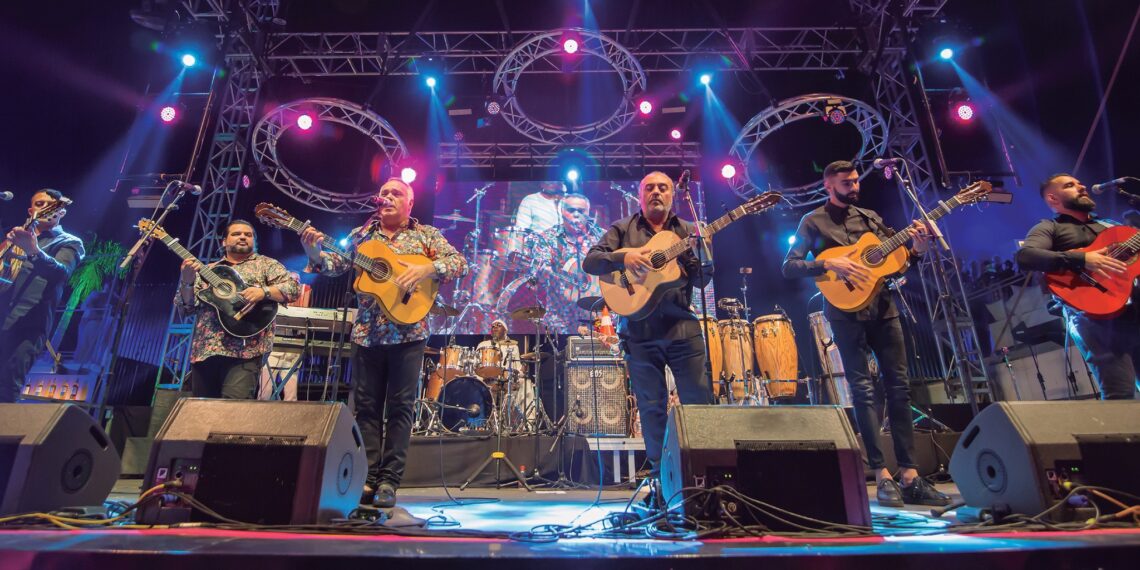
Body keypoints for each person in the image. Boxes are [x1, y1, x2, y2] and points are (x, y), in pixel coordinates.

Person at [782, 160, 949, 507]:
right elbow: (790, 265)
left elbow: (898, 262)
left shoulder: (871, 218)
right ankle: (880, 474)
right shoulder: (813, 221)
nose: (854, 186)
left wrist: (917, 249)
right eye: (846, 182)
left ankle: (910, 475)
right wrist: (829, 262)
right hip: (845, 313)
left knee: (899, 388)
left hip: (884, 309)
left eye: (856, 180)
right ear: (829, 185)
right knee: (862, 390)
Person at [302, 178, 467, 508]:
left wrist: (426, 270)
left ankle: (390, 481)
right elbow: (333, 266)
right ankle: (368, 476)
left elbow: (459, 263)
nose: (388, 197)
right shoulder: (363, 237)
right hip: (366, 334)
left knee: (402, 407)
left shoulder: (426, 236)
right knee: (366, 408)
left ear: (410, 202)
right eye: (385, 193)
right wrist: (312, 250)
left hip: (409, 334)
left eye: (397, 193)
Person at [582, 171, 715, 496]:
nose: (657, 192)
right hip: (639, 333)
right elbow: (591, 262)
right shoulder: (622, 229)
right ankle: (659, 480)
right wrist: (625, 256)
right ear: (639, 194)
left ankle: (704, 477)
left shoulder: (687, 231)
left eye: (663, 188)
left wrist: (700, 255)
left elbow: (702, 282)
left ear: (672, 194)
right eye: (650, 188)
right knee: (651, 406)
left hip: (682, 328)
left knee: (698, 403)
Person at [1016, 173, 1140, 400]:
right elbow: (1026, 256)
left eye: (1080, 183)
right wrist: (1083, 259)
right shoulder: (1050, 227)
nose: (1082, 187)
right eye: (1070, 185)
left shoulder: (1111, 226)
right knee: (1121, 395)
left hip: (1134, 309)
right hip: (1095, 316)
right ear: (1053, 199)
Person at [176, 220, 300, 399]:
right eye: (236, 234)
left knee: (232, 415)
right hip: (205, 352)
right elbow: (186, 308)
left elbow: (293, 288)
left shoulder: (266, 265)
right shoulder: (208, 270)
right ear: (224, 242)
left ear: (254, 242)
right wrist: (187, 281)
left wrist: (263, 292)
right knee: (202, 415)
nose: (242, 237)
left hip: (246, 352)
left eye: (248, 235)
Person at [0, 189, 85, 403]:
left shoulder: (69, 242)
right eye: (39, 204)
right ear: (31, 210)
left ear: (61, 212)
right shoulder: (13, 237)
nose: (44, 208)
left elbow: (61, 273)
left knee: (6, 388)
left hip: (27, 325)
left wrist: (33, 250)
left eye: (50, 205)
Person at [535, 192, 605, 330]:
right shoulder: (548, 238)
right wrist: (542, 273)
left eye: (581, 211)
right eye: (571, 210)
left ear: (588, 212)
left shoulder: (602, 236)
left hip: (598, 315)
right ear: (562, 211)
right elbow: (540, 278)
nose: (576, 214)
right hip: (561, 318)